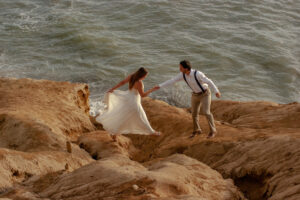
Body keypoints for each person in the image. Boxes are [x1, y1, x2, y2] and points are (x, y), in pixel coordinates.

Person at [156, 60, 221, 138]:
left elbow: (209, 81)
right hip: (195, 95)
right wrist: (160, 86)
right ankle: (196, 130)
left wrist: (216, 91)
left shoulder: (198, 74)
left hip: (205, 94)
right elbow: (172, 80)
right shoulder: (182, 75)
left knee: (206, 112)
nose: (179, 69)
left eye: (181, 67)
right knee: (194, 113)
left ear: (186, 68)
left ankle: (213, 131)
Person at [96, 67, 160, 141]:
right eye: (145, 76)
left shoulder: (132, 76)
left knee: (124, 118)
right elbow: (142, 95)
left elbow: (122, 82)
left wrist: (112, 89)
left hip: (127, 98)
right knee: (141, 117)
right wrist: (152, 89)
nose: (145, 77)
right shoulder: (139, 82)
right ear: (142, 75)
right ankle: (152, 132)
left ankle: (115, 135)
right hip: (134, 102)